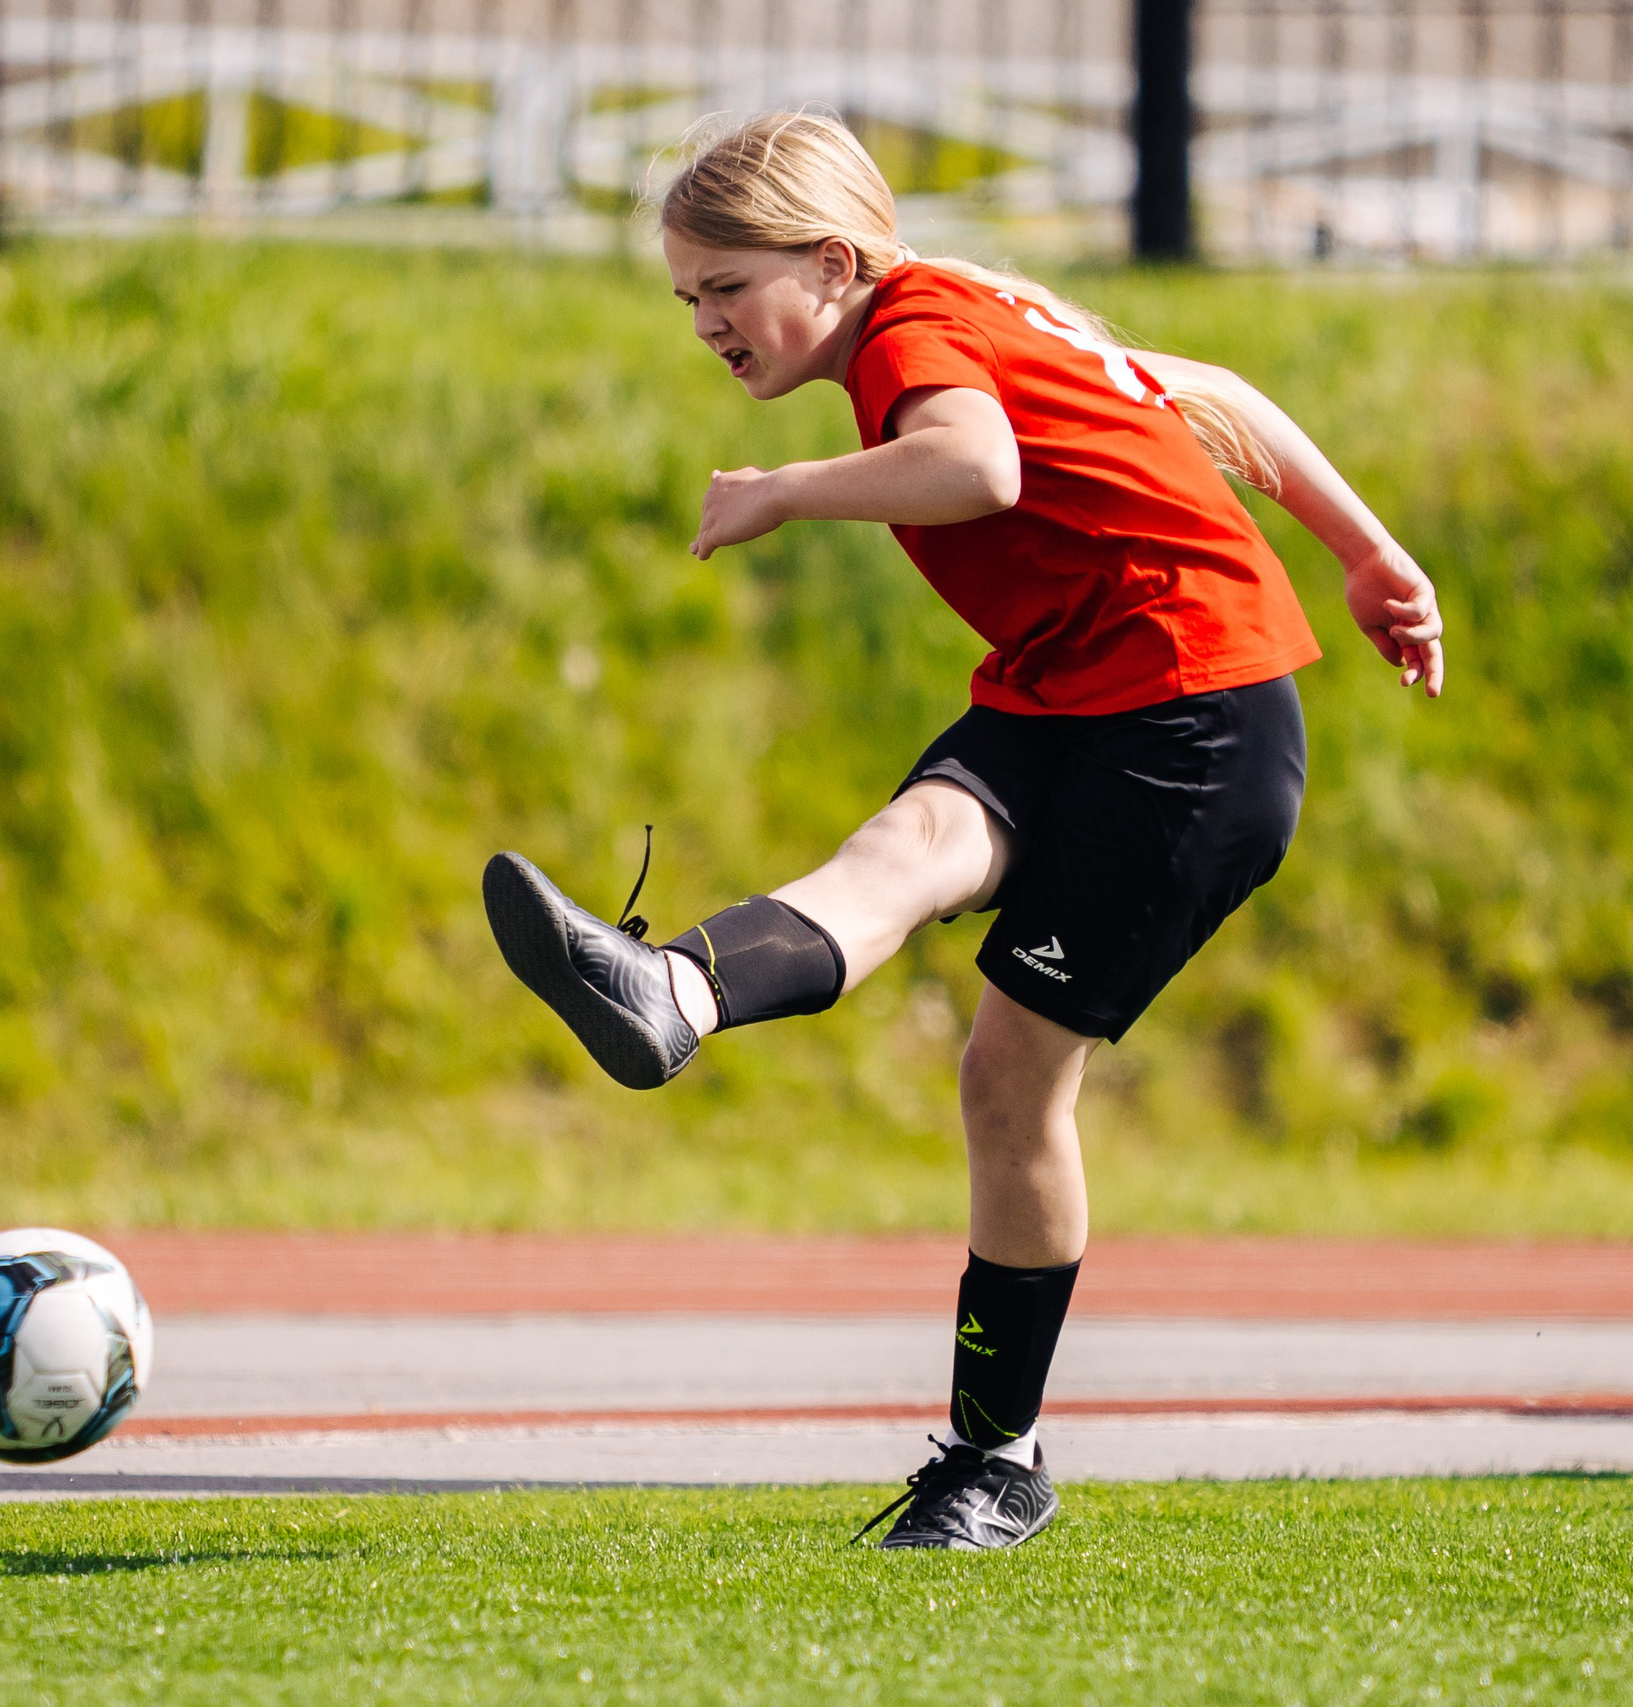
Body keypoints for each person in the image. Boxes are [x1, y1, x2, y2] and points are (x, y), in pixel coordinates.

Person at [482, 111, 1443, 1551]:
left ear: (831, 259)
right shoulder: (982, 304)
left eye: (727, 289)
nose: (706, 325)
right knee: (906, 852)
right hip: (1079, 684)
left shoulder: (910, 331)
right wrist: (1371, 554)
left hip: (1195, 721)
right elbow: (1211, 390)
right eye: (687, 297)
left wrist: (783, 495)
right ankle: (671, 991)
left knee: (1009, 1079)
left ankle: (996, 1461)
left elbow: (974, 466)